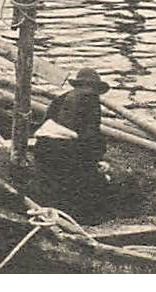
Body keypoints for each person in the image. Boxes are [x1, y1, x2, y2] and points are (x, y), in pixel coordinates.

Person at [34, 68, 111, 215]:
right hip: (65, 150)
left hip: (42, 147)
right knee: (91, 183)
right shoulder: (91, 101)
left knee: (53, 182)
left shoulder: (61, 98)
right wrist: (97, 160)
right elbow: (90, 136)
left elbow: (45, 123)